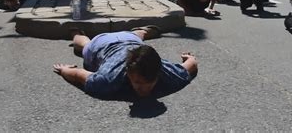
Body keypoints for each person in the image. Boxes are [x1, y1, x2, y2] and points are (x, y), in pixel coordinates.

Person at [53, 28, 198, 101]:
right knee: (84, 44)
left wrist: (189, 57)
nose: (144, 89)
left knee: (136, 38)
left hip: (131, 40)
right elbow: (80, 75)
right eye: (138, 83)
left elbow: (189, 66)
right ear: (128, 72)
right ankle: (76, 32)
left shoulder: (164, 71)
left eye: (150, 83)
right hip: (102, 44)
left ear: (157, 73)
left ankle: (141, 31)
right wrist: (65, 70)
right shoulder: (107, 80)